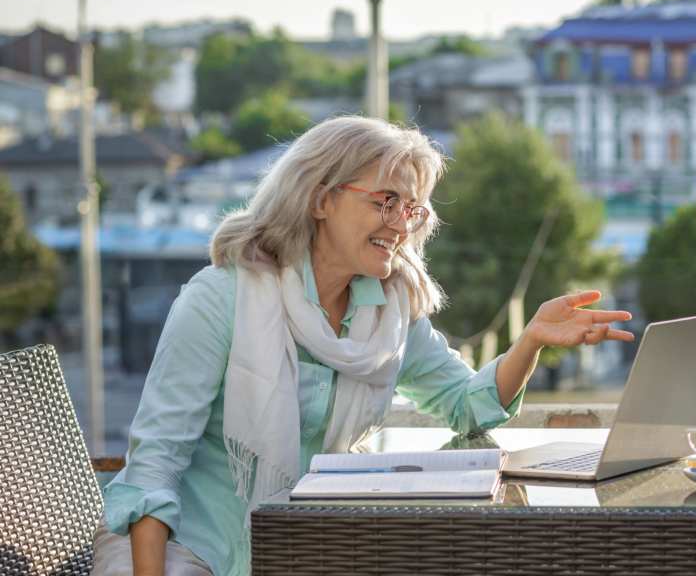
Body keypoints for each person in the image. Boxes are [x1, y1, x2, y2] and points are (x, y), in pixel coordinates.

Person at [92, 116, 633, 576]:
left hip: (301, 550)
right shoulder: (221, 299)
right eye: (386, 202)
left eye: (413, 208)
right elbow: (154, 466)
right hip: (185, 549)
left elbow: (467, 406)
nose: (402, 224)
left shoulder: (389, 312)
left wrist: (532, 339)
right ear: (321, 199)